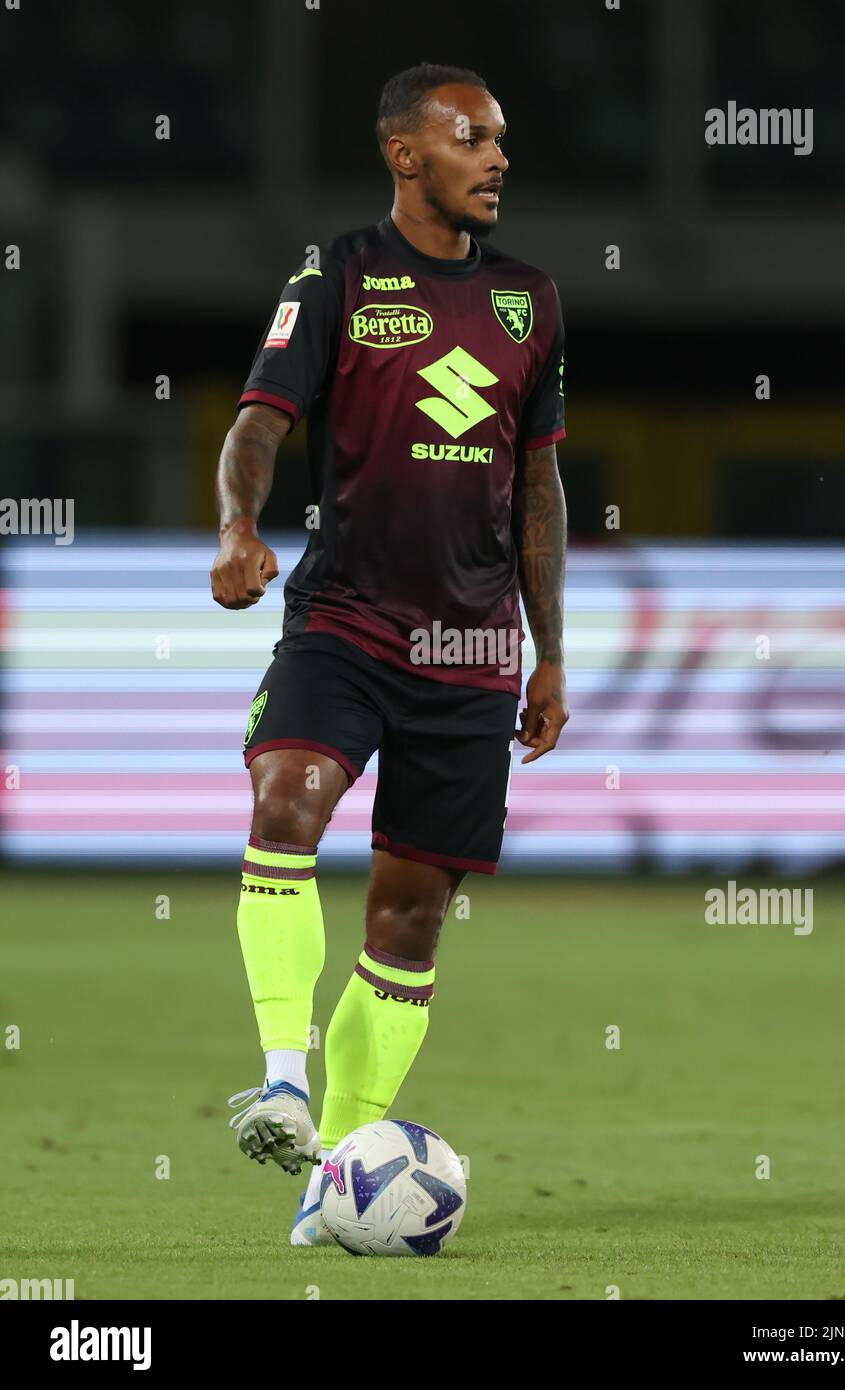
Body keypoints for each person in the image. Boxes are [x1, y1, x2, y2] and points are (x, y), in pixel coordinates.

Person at [210, 62, 568, 1244]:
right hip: (346, 617)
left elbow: (538, 485)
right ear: (406, 154)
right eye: (473, 137)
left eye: (502, 139)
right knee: (286, 800)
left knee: (410, 915)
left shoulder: (532, 301)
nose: (498, 157)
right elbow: (261, 419)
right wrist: (238, 522)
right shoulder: (338, 274)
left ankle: (333, 1172)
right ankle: (279, 1074)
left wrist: (548, 655)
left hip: (471, 651)